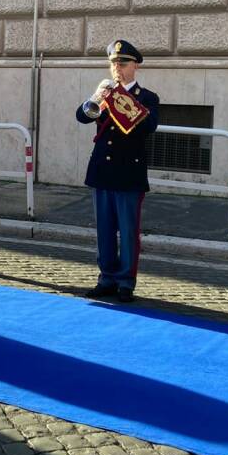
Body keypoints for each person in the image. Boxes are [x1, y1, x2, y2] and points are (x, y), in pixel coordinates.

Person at [75, 40, 160, 303]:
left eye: (122, 63)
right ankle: (106, 278)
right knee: (105, 229)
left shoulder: (147, 98)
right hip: (103, 170)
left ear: (135, 66)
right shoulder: (105, 93)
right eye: (113, 63)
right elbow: (82, 116)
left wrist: (121, 97)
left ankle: (125, 281)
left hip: (128, 172)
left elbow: (149, 126)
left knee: (128, 229)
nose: (117, 68)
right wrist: (95, 97)